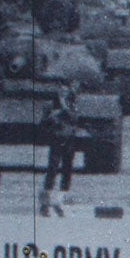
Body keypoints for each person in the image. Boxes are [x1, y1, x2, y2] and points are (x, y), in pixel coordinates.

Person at [38, 85, 79, 215]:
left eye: (65, 91)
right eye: (61, 91)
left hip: (69, 140)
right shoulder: (50, 106)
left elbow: (74, 118)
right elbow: (43, 123)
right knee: (52, 170)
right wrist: (51, 117)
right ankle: (45, 204)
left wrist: (64, 107)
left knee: (67, 171)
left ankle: (60, 201)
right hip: (56, 139)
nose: (63, 94)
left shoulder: (72, 104)